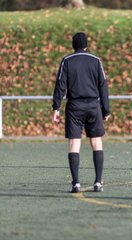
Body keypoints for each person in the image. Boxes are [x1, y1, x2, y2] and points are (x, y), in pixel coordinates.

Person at [52, 32, 110, 193]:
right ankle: (98, 182)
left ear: (73, 45)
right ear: (86, 45)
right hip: (93, 106)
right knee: (96, 142)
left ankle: (76, 183)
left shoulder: (67, 60)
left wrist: (56, 107)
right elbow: (102, 86)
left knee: (74, 143)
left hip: (74, 107)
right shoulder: (95, 60)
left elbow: (60, 85)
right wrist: (106, 109)